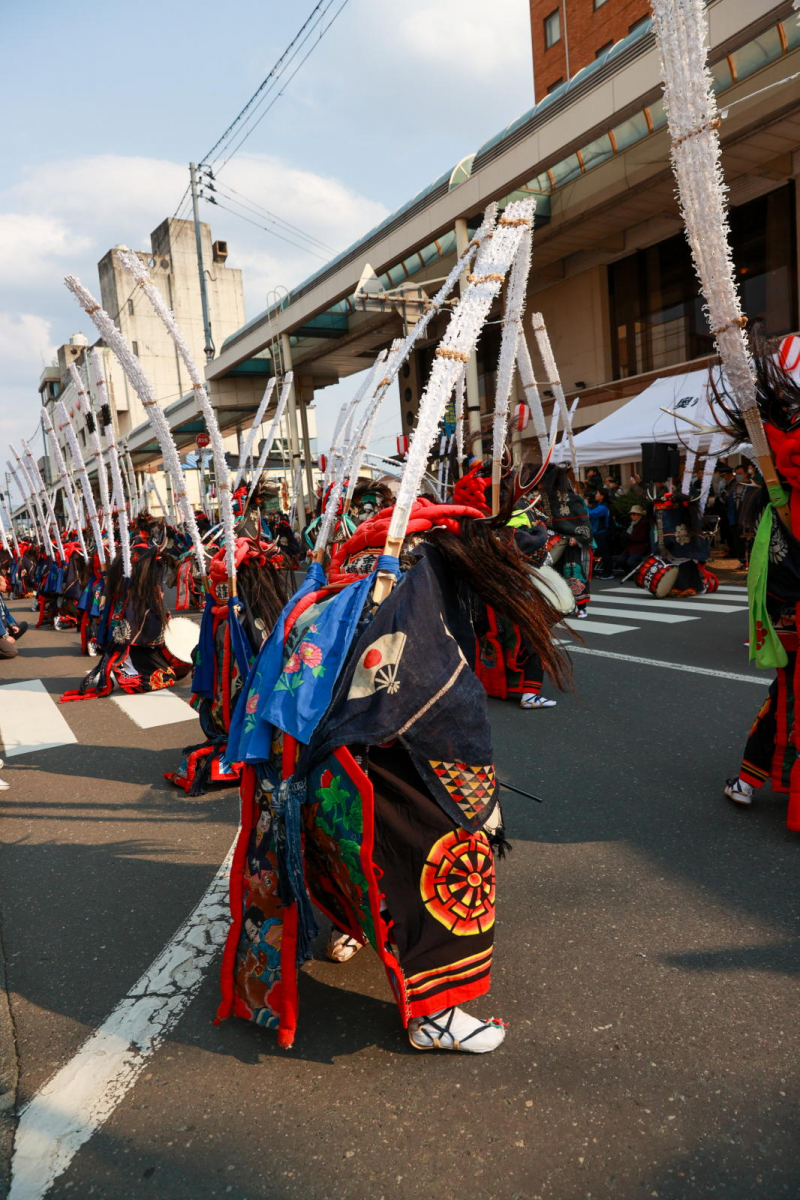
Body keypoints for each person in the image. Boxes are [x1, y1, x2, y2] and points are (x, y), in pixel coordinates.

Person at [615, 505, 650, 573]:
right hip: (631, 547)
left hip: (640, 547)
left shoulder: (644, 523)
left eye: (634, 514)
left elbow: (642, 537)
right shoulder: (633, 523)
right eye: (631, 514)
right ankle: (629, 574)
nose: (632, 516)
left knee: (631, 561)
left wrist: (629, 537)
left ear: (639, 515)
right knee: (620, 560)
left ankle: (642, 573)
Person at [587, 491, 613, 578]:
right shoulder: (600, 506)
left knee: (605, 553)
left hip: (601, 533)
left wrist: (585, 505)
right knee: (603, 553)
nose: (595, 495)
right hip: (598, 533)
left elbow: (590, 514)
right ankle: (605, 572)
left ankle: (608, 573)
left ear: (602, 496)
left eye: (597, 493)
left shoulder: (603, 508)